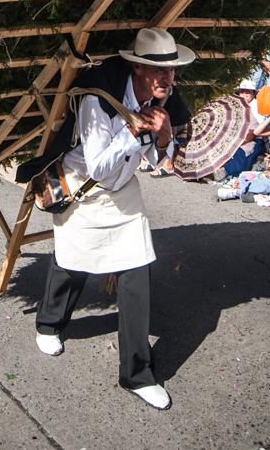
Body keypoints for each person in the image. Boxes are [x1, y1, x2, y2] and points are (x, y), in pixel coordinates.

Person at [30, 29, 194, 411]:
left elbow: (155, 162)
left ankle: (137, 374)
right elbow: (100, 166)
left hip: (124, 194)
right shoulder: (97, 99)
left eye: (172, 70)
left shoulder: (162, 101)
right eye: (159, 71)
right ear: (137, 67)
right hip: (86, 191)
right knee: (73, 265)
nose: (168, 79)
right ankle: (49, 324)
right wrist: (135, 130)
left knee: (137, 275)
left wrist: (164, 137)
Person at [217, 130, 270, 201]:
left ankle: (237, 192)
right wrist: (267, 163)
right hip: (268, 176)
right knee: (244, 174)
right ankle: (243, 187)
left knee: (267, 184)